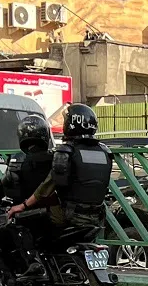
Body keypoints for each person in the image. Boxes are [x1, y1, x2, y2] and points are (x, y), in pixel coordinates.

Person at [7, 104, 113, 276]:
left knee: (19, 221)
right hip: (96, 217)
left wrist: (24, 206)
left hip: (68, 216)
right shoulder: (105, 152)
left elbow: (48, 187)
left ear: (71, 123)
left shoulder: (66, 152)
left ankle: (35, 263)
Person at [0, 115, 54, 276]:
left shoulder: (18, 161)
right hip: (55, 216)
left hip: (27, 216)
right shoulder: (57, 159)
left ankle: (10, 280)